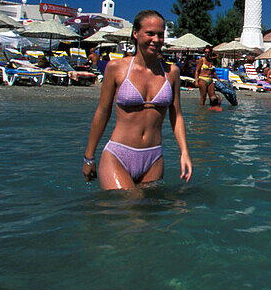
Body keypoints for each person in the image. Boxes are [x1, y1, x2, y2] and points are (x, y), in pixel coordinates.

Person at [82, 10, 192, 190]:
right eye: (150, 33)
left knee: (147, 215)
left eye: (160, 35)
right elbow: (102, 112)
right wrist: (89, 157)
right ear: (135, 33)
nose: (156, 39)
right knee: (129, 209)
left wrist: (184, 153)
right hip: (118, 155)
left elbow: (177, 115)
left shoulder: (171, 73)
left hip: (153, 158)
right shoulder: (116, 68)